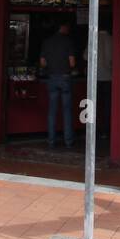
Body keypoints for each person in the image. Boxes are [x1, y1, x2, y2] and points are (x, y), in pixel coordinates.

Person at [40, 19, 77, 150]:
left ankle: (51, 141)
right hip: (65, 78)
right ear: (64, 27)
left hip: (52, 78)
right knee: (67, 111)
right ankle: (68, 141)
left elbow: (43, 62)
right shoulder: (68, 41)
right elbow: (72, 63)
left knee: (52, 111)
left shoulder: (47, 42)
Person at [95, 17, 113, 137]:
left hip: (95, 78)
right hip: (109, 77)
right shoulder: (112, 39)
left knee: (95, 105)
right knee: (107, 106)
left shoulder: (94, 38)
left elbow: (86, 56)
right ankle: (106, 131)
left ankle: (94, 131)